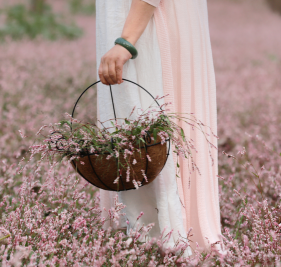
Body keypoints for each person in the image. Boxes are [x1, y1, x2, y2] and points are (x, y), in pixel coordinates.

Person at [96, 0, 222, 252]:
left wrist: (126, 41)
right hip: (137, 23)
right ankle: (150, 230)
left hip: (147, 28)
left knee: (151, 121)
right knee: (141, 126)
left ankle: (166, 233)